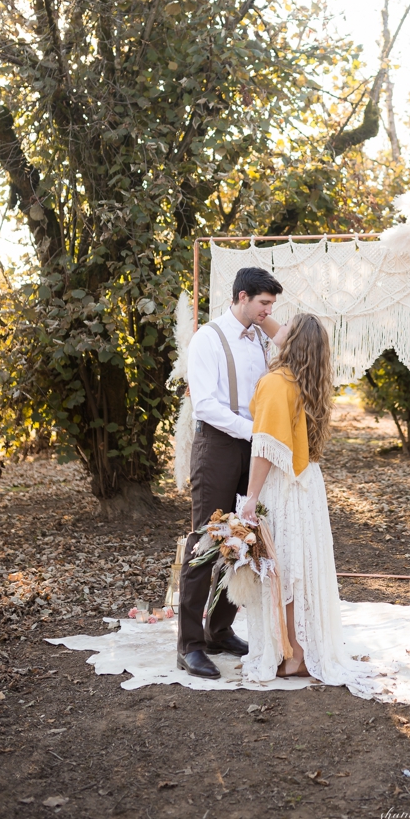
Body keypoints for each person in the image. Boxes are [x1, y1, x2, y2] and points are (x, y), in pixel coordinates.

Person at [237, 314, 366, 690]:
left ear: (293, 343)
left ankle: (294, 655)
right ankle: (300, 648)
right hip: (307, 482)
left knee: (286, 570)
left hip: (284, 485)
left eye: (286, 327)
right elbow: (281, 331)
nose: (279, 328)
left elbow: (265, 449)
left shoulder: (277, 382)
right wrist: (266, 322)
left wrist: (252, 497)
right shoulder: (306, 381)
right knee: (299, 570)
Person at [177, 267, 284, 679]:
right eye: (263, 303)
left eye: (272, 305)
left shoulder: (260, 335)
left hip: (253, 450)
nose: (268, 311)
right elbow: (205, 404)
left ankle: (220, 630)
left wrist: (266, 319)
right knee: (206, 542)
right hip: (219, 446)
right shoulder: (207, 338)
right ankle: (190, 645)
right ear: (241, 297)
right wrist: (254, 433)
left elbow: (291, 336)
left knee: (245, 538)